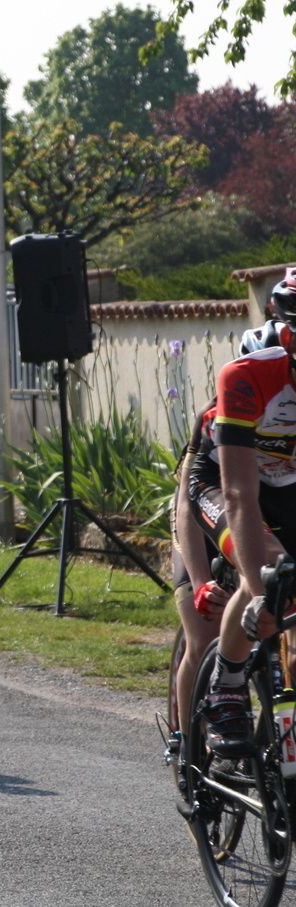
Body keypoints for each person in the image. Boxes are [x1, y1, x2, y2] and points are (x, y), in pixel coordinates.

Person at [196, 274, 296, 758]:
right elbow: (237, 494)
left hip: (288, 487)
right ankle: (227, 683)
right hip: (221, 483)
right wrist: (261, 595)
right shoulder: (247, 377)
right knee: (272, 572)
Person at [170, 319, 278, 757]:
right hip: (203, 528)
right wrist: (199, 584)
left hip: (263, 518)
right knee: (203, 631)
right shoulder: (215, 420)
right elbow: (184, 507)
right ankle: (186, 745)